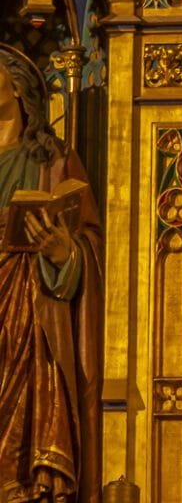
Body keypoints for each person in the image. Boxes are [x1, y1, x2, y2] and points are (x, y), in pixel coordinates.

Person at [0, 47, 102, 501]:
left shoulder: (53, 162)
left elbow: (90, 245)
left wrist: (65, 254)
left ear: (19, 89)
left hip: (30, 303)